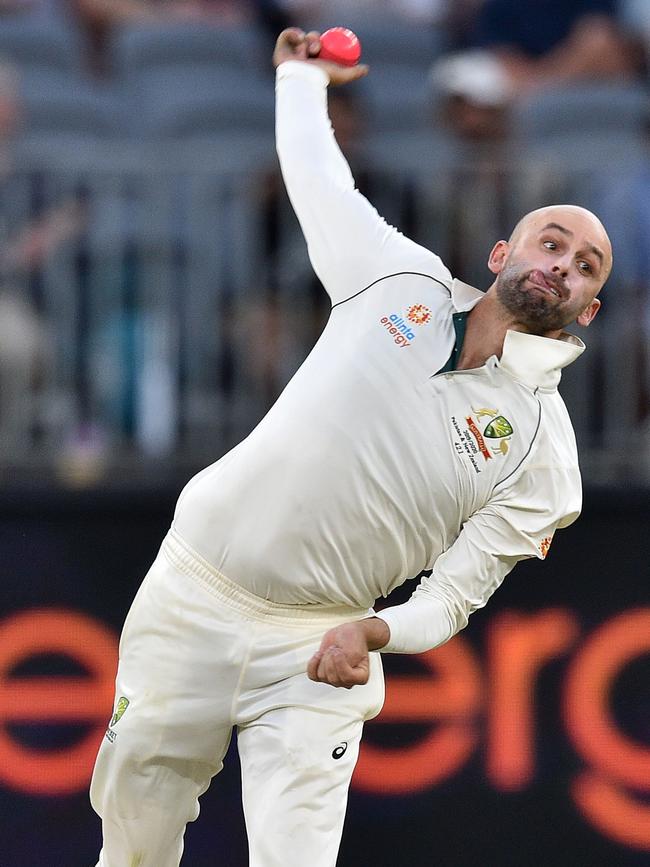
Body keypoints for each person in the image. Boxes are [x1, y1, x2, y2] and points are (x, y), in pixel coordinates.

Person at [90, 27, 613, 867]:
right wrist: (301, 78)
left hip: (319, 646)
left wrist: (375, 631)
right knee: (134, 849)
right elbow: (316, 178)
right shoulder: (395, 279)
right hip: (193, 591)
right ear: (501, 252)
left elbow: (452, 601)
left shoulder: (545, 460)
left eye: (587, 266)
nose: (563, 265)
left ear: (589, 310)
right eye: (551, 242)